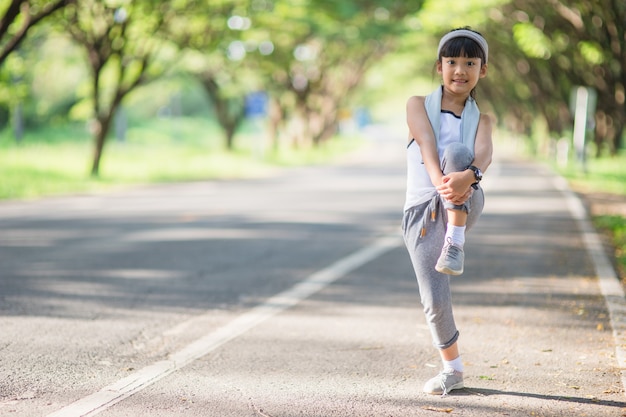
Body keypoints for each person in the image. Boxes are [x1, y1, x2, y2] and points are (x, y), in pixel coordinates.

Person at [402, 27, 493, 396]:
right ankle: (452, 370)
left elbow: (483, 155)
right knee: (434, 299)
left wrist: (466, 179)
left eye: (470, 62)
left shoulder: (482, 120)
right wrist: (443, 183)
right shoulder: (415, 104)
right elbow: (425, 143)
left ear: (482, 70)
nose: (460, 69)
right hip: (422, 210)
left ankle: (455, 242)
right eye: (452, 61)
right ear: (438, 66)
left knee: (459, 153)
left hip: (467, 199)